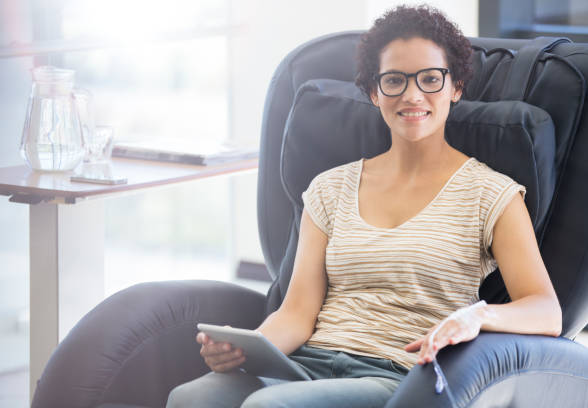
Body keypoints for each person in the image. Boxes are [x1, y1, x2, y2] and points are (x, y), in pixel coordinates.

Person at [167, 4, 562, 407]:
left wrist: (479, 316)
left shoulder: (492, 194)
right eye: (395, 80)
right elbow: (298, 312)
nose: (412, 95)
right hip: (304, 365)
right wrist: (247, 348)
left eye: (430, 79)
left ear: (456, 86)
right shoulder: (330, 188)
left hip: (395, 377)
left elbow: (546, 311)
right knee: (192, 398)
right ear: (375, 91)